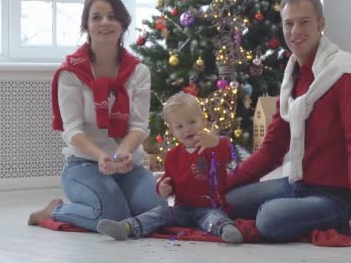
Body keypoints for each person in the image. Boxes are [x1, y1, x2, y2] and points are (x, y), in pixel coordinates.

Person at [226, 0, 351, 242]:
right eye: (289, 23)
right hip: (297, 184)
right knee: (229, 201)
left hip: (336, 196)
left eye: (305, 22)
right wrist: (224, 183)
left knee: (269, 219)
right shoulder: (292, 77)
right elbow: (272, 148)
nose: (295, 30)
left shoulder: (345, 74)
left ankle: (341, 216)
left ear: (321, 24)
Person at [28, 0, 166, 230]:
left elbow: (138, 126)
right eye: (97, 17)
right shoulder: (71, 72)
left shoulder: (138, 72)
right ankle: (54, 212)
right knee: (113, 213)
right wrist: (101, 156)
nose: (105, 22)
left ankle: (116, 203)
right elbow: (72, 131)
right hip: (84, 165)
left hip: (128, 165)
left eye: (113, 16)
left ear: (123, 24)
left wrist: (122, 153)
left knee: (160, 209)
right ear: (86, 26)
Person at [96, 93, 243, 243]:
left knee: (215, 218)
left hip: (210, 207)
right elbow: (169, 179)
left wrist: (217, 142)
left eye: (192, 122)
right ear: (172, 131)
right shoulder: (173, 156)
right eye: (179, 126)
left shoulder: (211, 147)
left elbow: (228, 155)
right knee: (160, 212)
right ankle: (126, 227)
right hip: (182, 209)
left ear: (203, 121)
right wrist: (162, 187)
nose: (187, 129)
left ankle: (226, 229)